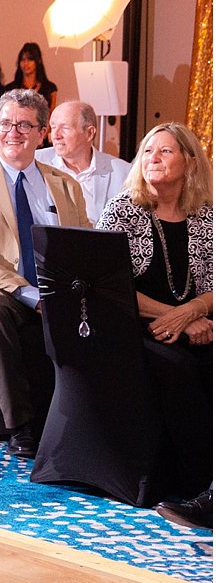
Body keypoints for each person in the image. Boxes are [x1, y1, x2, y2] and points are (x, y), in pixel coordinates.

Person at [0, 88, 91, 458]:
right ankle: (19, 424)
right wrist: (29, 293)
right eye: (5, 123)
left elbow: (82, 245)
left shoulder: (65, 186)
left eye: (24, 125)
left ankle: (93, 418)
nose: (13, 133)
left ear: (42, 133)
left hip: (57, 288)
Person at [97, 122, 213, 499]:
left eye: (165, 151)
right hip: (135, 327)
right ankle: (198, 488)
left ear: (190, 162)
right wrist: (179, 316)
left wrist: (193, 311)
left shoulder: (205, 214)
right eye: (147, 151)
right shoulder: (123, 210)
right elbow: (108, 285)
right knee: (178, 369)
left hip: (196, 323)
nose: (153, 159)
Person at [35, 100, 132, 221]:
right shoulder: (35, 163)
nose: (56, 135)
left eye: (65, 128)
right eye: (53, 127)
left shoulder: (123, 172)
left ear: (89, 133)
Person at [11, 41, 59, 117]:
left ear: (38, 61)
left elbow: (51, 116)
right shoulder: (11, 88)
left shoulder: (50, 88)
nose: (26, 63)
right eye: (23, 60)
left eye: (30, 59)